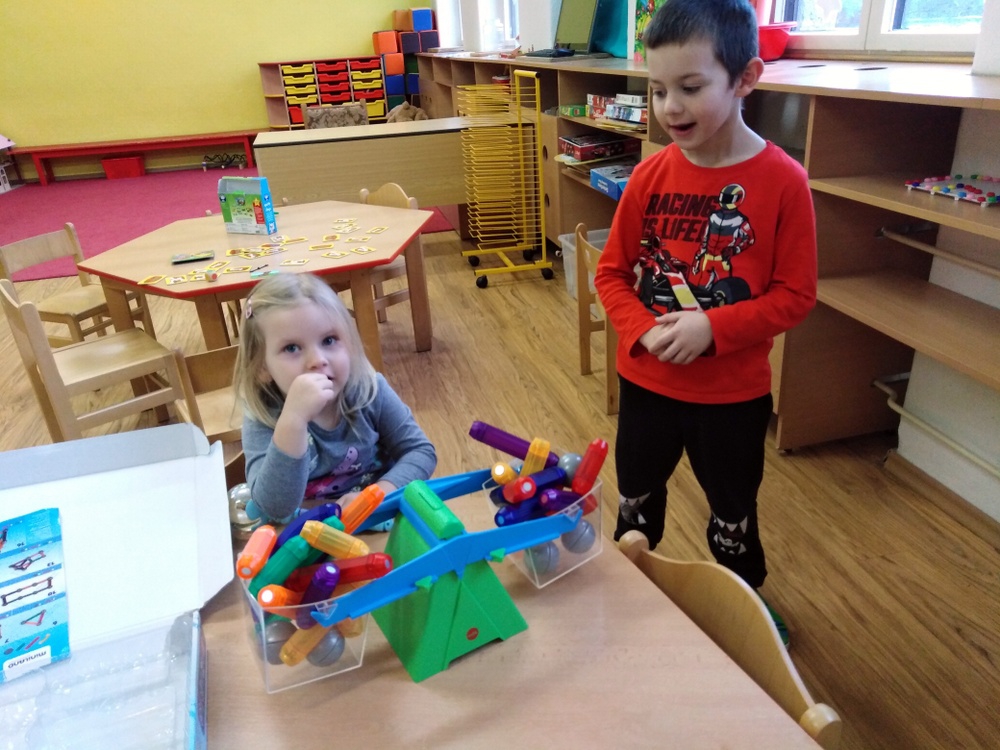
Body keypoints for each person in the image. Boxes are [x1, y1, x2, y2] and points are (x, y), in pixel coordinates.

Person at [593, 0, 817, 615]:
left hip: (732, 398)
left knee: (732, 512)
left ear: (745, 78)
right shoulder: (649, 176)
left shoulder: (784, 181)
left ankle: (745, 609)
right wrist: (643, 331)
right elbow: (611, 274)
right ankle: (631, 593)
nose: (669, 107)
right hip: (647, 384)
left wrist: (712, 328)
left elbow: (796, 295)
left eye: (690, 88)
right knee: (636, 500)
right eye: (658, 89)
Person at [234, 272, 437, 524]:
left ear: (349, 344)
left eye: (329, 340)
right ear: (261, 367)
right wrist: (293, 420)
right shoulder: (263, 417)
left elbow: (420, 452)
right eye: (292, 348)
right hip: (306, 533)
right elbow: (274, 508)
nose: (317, 360)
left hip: (379, 519)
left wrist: (376, 495)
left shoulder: (370, 390)